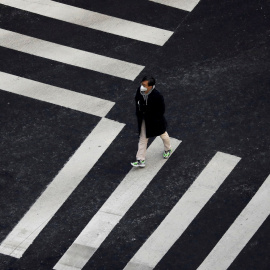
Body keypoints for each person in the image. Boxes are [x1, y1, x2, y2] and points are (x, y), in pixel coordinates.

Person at [131, 76, 172, 168]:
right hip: (144, 119)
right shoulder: (139, 91)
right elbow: (137, 100)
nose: (142, 86)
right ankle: (140, 159)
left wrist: (152, 115)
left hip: (155, 120)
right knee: (143, 138)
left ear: (151, 86)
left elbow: (161, 110)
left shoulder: (157, 96)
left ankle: (168, 149)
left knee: (163, 134)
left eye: (144, 85)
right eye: (142, 84)